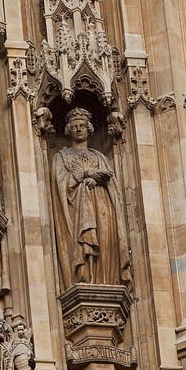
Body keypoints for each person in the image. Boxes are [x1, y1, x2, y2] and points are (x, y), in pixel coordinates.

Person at [51, 108, 126, 286]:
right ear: (68, 130)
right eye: (74, 126)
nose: (79, 129)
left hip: (102, 206)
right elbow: (60, 184)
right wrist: (86, 175)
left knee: (105, 242)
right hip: (76, 208)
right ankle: (83, 276)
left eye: (82, 126)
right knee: (82, 244)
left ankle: (106, 279)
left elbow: (112, 184)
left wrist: (97, 179)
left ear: (89, 129)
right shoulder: (62, 157)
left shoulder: (100, 157)